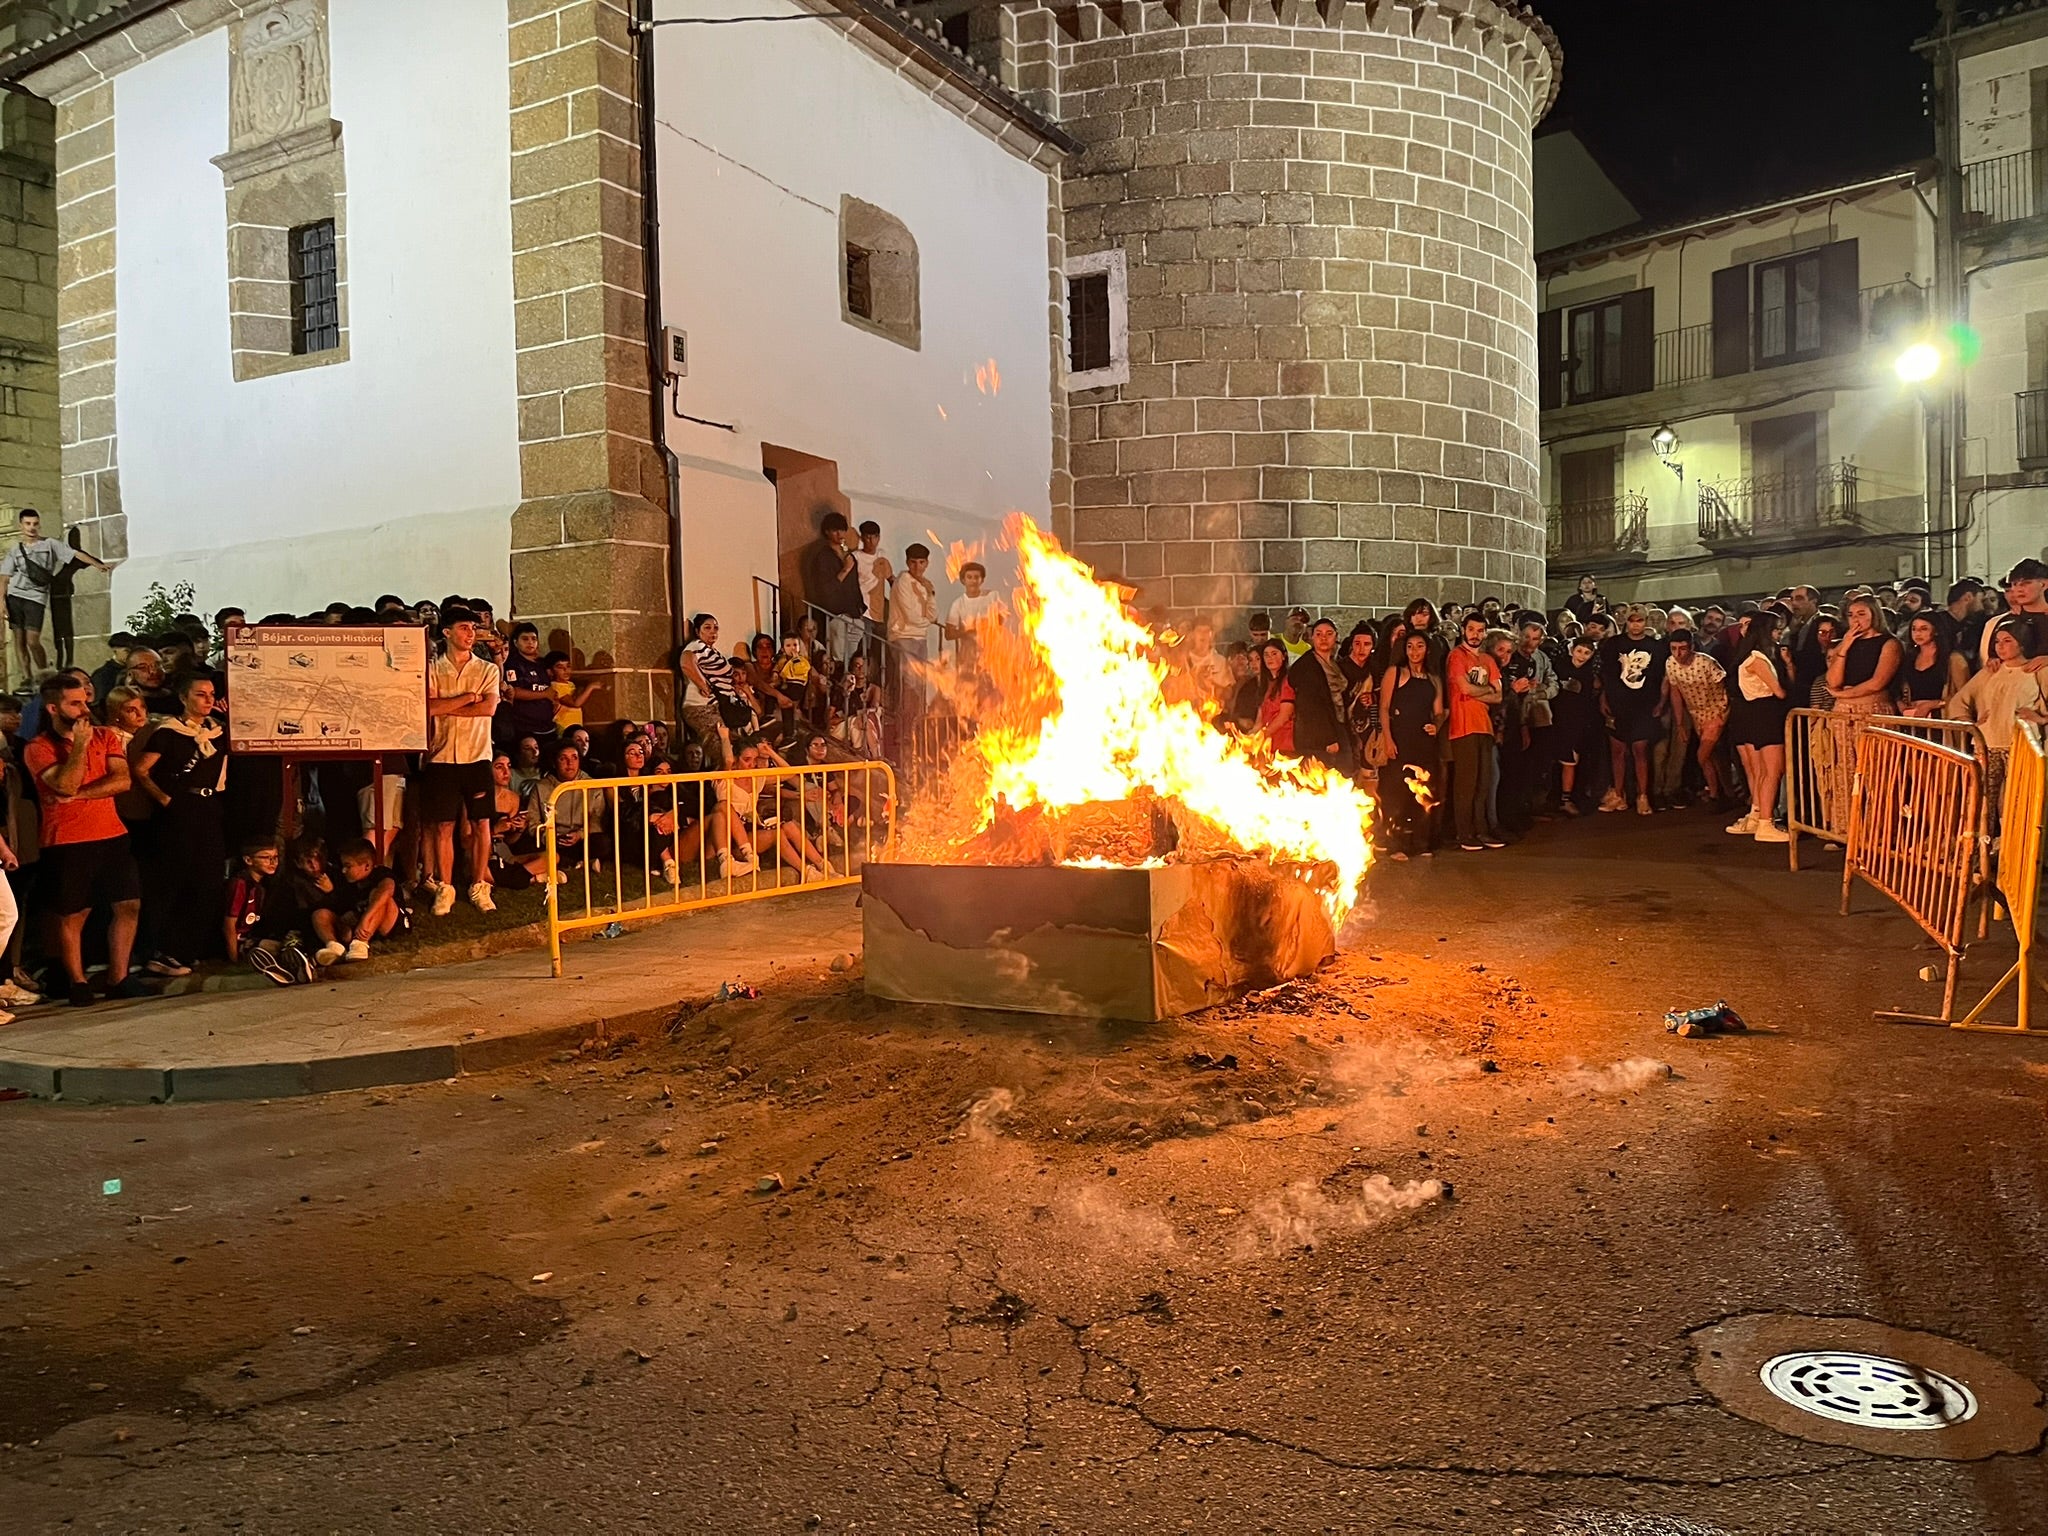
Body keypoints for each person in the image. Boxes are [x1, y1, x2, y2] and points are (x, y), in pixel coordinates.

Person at [23, 672, 148, 1006]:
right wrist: (78, 746)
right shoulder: (39, 748)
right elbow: (62, 783)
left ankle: (119, 976)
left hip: (111, 833)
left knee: (128, 904)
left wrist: (78, 797)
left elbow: (121, 781)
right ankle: (77, 981)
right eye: (74, 703)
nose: (84, 708)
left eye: (85, 701)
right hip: (67, 839)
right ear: (53, 708)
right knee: (73, 913)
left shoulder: (105, 736)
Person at [132, 673, 228, 975]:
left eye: (211, 694)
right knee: (174, 880)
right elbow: (141, 769)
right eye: (201, 694)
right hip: (180, 808)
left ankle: (187, 948)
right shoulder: (168, 732)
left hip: (209, 806)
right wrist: (164, 799)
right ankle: (162, 950)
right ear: (184, 698)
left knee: (209, 880)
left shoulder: (218, 732)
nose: (208, 700)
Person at [421, 606, 501, 916]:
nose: (470, 634)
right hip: (441, 756)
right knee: (444, 825)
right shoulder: (432, 669)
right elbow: (428, 708)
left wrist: (448, 706)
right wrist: (467, 698)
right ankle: (446, 885)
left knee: (481, 822)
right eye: (464, 628)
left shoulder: (486, 670)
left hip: (477, 755)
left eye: (472, 628)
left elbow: (489, 709)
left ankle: (479, 884)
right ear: (447, 632)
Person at [1947, 619, 2048, 829]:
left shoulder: (2037, 670)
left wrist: (2041, 718)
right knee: (1982, 799)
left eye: (2007, 641)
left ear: (2021, 644)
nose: (2000, 646)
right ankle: (1980, 851)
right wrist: (1971, 723)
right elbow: (1959, 700)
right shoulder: (1990, 671)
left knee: (2018, 799)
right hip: (1988, 743)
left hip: (2020, 745)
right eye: (1997, 641)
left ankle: (2014, 850)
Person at [2, 510, 111, 688]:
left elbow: (74, 553)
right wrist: (1, 603)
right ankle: (27, 677)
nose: (32, 528)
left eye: (35, 524)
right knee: (19, 640)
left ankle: (45, 673)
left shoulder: (49, 544)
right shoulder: (15, 550)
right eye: (28, 524)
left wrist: (97, 564)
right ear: (21, 525)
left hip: (36, 597)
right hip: (15, 595)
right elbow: (4, 577)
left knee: (32, 640)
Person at [1725, 610, 1792, 843]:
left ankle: (1761, 818)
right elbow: (1780, 692)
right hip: (1765, 714)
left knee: (1764, 771)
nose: (1778, 634)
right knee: (1772, 770)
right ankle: (1766, 822)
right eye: (1775, 629)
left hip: (1756, 713)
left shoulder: (1749, 657)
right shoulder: (1757, 659)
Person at [1378, 629, 1444, 859]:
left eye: (1419, 646)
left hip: (1423, 740)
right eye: (1410, 646)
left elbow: (1439, 711)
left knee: (1424, 790)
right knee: (1397, 793)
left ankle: (1421, 842)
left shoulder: (1433, 678)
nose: (1414, 651)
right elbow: (1384, 708)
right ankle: (1395, 844)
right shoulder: (1395, 673)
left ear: (1427, 649)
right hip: (1400, 737)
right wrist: (1388, 738)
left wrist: (1436, 725)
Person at [1597, 606, 1667, 816]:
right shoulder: (1613, 645)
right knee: (1617, 751)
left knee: (1640, 751)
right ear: (1626, 622)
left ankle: (1642, 795)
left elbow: (1663, 678)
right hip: (1618, 704)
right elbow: (1606, 674)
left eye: (1639, 620)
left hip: (1644, 705)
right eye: (1632, 620)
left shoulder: (1656, 647)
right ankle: (1618, 794)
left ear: (1645, 622)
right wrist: (1604, 697)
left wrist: (1661, 703)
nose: (1635, 624)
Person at [1445, 612, 1504, 851]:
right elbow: (1464, 687)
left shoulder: (1488, 660)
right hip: (1463, 726)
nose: (1475, 635)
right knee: (1466, 783)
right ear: (1463, 630)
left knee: (1483, 782)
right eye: (1472, 630)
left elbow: (1498, 695)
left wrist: (1476, 691)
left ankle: (1481, 830)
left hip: (1484, 727)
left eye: (1480, 631)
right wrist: (1485, 689)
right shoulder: (1456, 656)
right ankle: (1464, 832)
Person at [225, 839, 316, 986]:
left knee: (290, 941)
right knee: (273, 947)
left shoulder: (264, 886)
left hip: (256, 935)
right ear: (248, 860)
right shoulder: (240, 884)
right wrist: (233, 959)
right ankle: (288, 968)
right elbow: (229, 924)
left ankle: (296, 968)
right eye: (266, 858)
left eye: (275, 857)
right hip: (243, 942)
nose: (273, 862)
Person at [1660, 629, 1729, 809]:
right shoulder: (1671, 664)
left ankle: (1723, 792)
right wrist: (1681, 722)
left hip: (1715, 710)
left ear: (1691, 647)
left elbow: (1724, 686)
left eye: (1682, 648)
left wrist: (1722, 715)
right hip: (1696, 713)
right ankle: (1716, 793)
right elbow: (1675, 691)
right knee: (1711, 757)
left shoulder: (1705, 662)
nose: (1678, 654)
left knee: (1702, 755)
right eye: (1673, 649)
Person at [310, 837, 404, 965]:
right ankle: (334, 947)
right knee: (320, 914)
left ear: (367, 866)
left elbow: (387, 890)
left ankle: (360, 944)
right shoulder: (348, 882)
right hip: (357, 925)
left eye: (348, 866)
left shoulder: (381, 874)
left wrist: (366, 918)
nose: (344, 871)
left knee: (380, 898)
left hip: (386, 924)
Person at [678, 614, 749, 767]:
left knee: (734, 746)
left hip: (714, 707)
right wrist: (702, 685)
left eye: (715, 628)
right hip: (701, 707)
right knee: (720, 751)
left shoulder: (712, 651)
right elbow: (686, 662)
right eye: (707, 628)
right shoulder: (696, 646)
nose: (713, 631)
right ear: (698, 631)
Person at [1825, 593, 1904, 721]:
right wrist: (1844, 646)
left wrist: (1843, 694)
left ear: (1874, 615)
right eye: (1851, 615)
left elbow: (1877, 683)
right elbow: (1833, 681)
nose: (1855, 619)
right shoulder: (1845, 643)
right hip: (1843, 709)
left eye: (1861, 614)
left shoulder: (1889, 643)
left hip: (1873, 709)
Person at [1286, 618, 1350, 775]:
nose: (1324, 638)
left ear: (1336, 637)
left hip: (1338, 724)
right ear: (1312, 637)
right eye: (1319, 634)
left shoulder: (1335, 664)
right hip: (1317, 736)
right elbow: (1310, 707)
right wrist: (1327, 738)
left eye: (1329, 634)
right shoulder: (1307, 667)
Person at [805, 511, 866, 665]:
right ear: (827, 532)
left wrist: (860, 610)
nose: (840, 534)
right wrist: (844, 570)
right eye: (835, 530)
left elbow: (854, 585)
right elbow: (826, 589)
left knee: (853, 661)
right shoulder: (823, 557)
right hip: (836, 615)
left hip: (854, 615)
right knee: (838, 659)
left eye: (842, 530)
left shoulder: (848, 555)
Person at [1550, 635, 1602, 815]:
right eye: (1579, 651)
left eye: (1587, 653)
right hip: (1556, 721)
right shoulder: (1559, 668)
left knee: (1571, 761)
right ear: (1572, 650)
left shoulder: (1590, 676)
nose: (1582, 655)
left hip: (1577, 724)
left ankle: (1567, 798)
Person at [945, 562, 1008, 690]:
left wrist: (983, 625)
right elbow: (948, 633)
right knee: (969, 690)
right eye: (969, 577)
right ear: (963, 580)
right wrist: (967, 633)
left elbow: (1001, 618)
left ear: (982, 579)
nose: (973, 581)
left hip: (992, 653)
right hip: (968, 654)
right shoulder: (958, 604)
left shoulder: (992, 596)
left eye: (976, 577)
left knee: (992, 688)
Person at [1899, 613, 1971, 718]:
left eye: (1924, 629)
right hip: (1913, 718)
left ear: (1936, 631)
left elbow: (1964, 695)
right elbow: (1899, 689)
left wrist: (1932, 704)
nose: (1917, 633)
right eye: (1914, 629)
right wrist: (1901, 704)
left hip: (1942, 719)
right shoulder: (1909, 658)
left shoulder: (1953, 659)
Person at [498, 622, 555, 749]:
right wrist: (544, 694)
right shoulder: (513, 664)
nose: (530, 642)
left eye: (534, 639)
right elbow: (514, 691)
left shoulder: (541, 664)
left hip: (547, 726)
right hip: (525, 728)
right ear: (515, 642)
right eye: (525, 639)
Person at [1176, 620, 1233, 714]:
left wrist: (1211, 685)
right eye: (1199, 631)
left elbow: (1229, 693)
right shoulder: (1183, 661)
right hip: (1187, 715)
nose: (1203, 635)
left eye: (1207, 631)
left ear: (1212, 634)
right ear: (1193, 634)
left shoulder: (1220, 661)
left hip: (1214, 715)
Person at [1253, 638, 1295, 753]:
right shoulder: (1266, 684)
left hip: (1286, 744)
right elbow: (1259, 720)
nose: (1270, 658)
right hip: (1269, 745)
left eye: (1274, 653)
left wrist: (1263, 734)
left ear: (1284, 656)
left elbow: (1284, 716)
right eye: (1266, 655)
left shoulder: (1288, 681)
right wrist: (1249, 736)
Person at [545, 651, 598, 734]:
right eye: (560, 667)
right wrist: (590, 687)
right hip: (564, 727)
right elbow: (575, 703)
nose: (565, 670)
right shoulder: (555, 687)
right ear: (550, 671)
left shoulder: (570, 684)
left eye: (568, 666)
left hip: (576, 725)